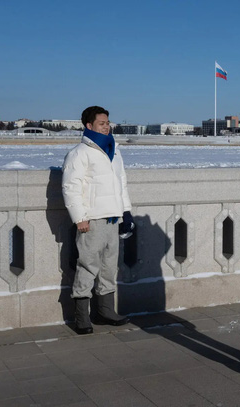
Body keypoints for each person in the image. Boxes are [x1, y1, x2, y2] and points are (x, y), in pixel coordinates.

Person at [62, 106, 134, 335]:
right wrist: (80, 218)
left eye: (108, 122)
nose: (107, 125)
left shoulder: (114, 151)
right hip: (92, 220)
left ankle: (105, 311)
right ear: (89, 126)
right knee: (87, 266)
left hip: (113, 217)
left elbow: (121, 184)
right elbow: (70, 188)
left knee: (109, 266)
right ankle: (81, 317)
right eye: (102, 122)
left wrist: (126, 212)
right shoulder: (79, 153)